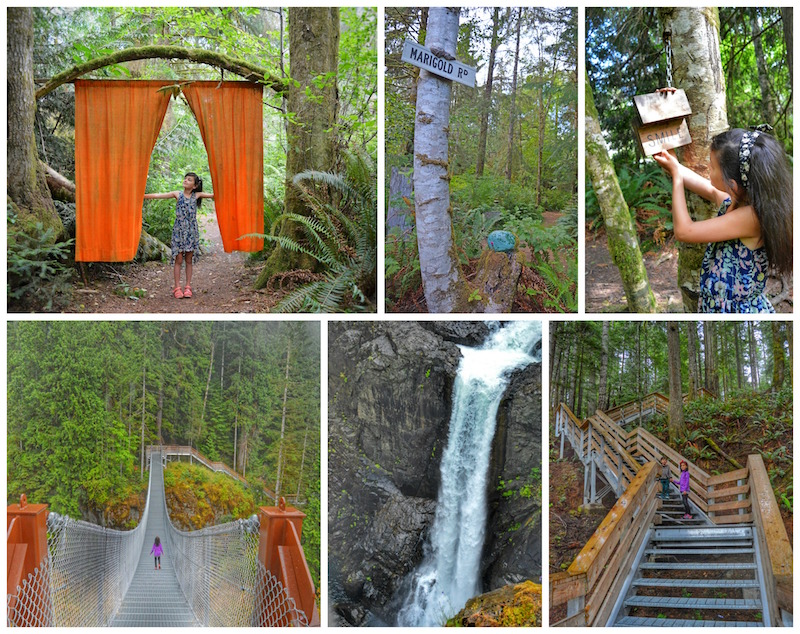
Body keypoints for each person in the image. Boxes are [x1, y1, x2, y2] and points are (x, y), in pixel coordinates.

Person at [653, 127, 792, 313]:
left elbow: (684, 231)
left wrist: (677, 177)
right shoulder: (736, 202)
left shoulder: (750, 218)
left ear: (732, 184)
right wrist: (675, 166)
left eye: (711, 167)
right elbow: (709, 190)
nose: (707, 169)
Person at [144, 173, 214, 299]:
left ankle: (188, 287)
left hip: (191, 231)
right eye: (185, 178)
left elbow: (215, 195)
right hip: (179, 231)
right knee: (179, 259)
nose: (185, 180)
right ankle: (177, 287)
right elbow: (158, 195)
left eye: (189, 180)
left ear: (195, 185)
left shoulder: (197, 195)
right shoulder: (177, 194)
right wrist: (142, 196)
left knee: (189, 259)